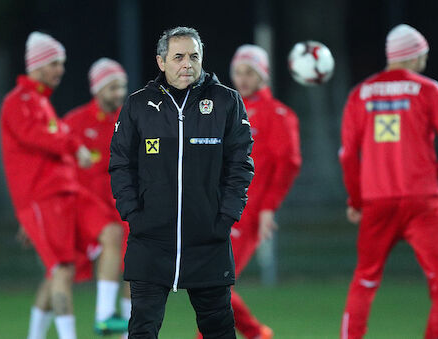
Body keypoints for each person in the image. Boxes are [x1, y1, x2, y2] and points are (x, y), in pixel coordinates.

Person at [109, 26, 254, 339]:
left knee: (218, 328)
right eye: (178, 57)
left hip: (208, 238)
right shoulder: (137, 105)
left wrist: (225, 217)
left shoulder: (227, 102)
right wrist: (133, 214)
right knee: (142, 328)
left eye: (194, 56)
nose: (187, 63)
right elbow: (121, 164)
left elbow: (240, 165)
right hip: (150, 239)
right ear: (162, 62)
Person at [338, 24, 438, 339]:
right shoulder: (428, 89)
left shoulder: (360, 94)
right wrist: (431, 178)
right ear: (416, 54)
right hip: (422, 201)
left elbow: (347, 156)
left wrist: (356, 201)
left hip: (377, 202)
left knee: (365, 280)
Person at [199, 45, 302, 339]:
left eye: (249, 72)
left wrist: (269, 206)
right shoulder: (226, 109)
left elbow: (289, 165)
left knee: (213, 282)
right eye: (238, 72)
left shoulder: (279, 115)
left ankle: (255, 334)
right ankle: (257, 334)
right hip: (214, 208)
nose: (242, 78)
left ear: (263, 75)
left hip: (248, 210)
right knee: (209, 282)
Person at [0, 31, 92, 339]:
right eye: (55, 63)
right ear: (38, 64)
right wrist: (70, 143)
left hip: (55, 197)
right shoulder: (19, 101)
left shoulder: (40, 101)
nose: (61, 70)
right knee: (61, 270)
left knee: (60, 270)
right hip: (42, 198)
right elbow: (35, 137)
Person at [64, 57, 132, 336]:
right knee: (58, 271)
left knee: (136, 262)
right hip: (84, 204)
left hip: (120, 203)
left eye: (122, 87)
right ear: (97, 88)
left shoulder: (129, 120)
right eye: (112, 87)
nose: (119, 93)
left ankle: (131, 329)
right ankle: (104, 313)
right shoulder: (75, 122)